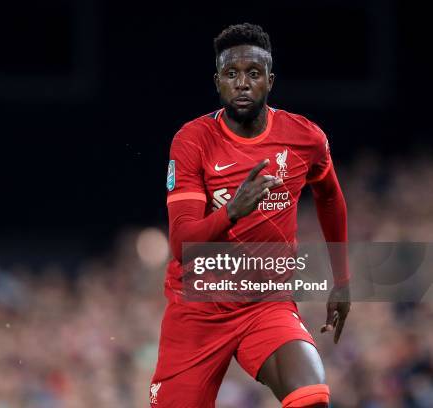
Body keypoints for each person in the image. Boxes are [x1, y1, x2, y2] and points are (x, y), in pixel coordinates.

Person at [150, 23, 350, 407]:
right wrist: (232, 211)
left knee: (312, 396)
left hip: (266, 302)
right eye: (231, 74)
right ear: (218, 81)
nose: (242, 83)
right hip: (199, 309)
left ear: (270, 81)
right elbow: (180, 244)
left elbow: (330, 199)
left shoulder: (304, 137)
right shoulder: (192, 141)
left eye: (253, 74)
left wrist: (342, 280)